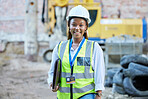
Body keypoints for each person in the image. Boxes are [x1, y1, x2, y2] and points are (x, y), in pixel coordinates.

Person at [47, 5, 105, 99]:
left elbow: (99, 72)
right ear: (69, 26)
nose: (77, 28)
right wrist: (51, 83)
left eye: (81, 25)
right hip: (63, 96)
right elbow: (52, 72)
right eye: (74, 24)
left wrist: (98, 93)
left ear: (86, 27)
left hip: (85, 95)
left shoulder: (94, 47)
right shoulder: (59, 47)